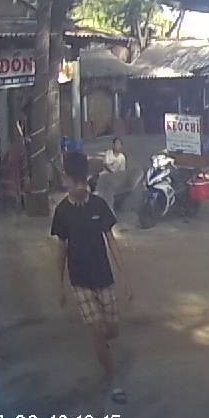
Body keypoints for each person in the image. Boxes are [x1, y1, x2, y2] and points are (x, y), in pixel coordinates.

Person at [53, 151, 133, 404]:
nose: (78, 186)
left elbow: (112, 242)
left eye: (81, 181)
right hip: (80, 281)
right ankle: (113, 380)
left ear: (86, 179)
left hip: (104, 277)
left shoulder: (99, 206)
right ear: (65, 179)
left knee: (112, 329)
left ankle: (101, 345)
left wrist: (125, 277)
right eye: (73, 181)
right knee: (97, 329)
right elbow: (61, 250)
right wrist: (59, 285)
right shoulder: (62, 212)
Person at [96, 137, 127, 209]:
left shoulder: (122, 157)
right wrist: (112, 171)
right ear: (113, 145)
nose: (117, 146)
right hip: (106, 175)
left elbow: (122, 170)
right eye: (116, 144)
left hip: (116, 177)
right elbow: (106, 165)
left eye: (119, 144)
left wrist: (116, 175)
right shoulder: (108, 153)